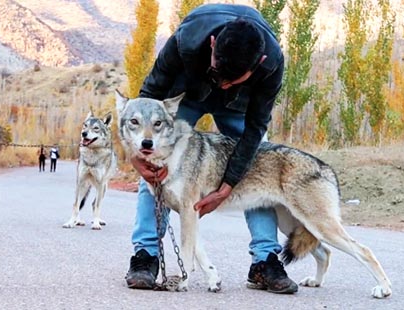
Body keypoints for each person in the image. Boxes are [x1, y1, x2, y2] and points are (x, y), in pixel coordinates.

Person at [125, 4, 297, 294]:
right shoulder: (188, 37)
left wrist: (227, 186)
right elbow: (148, 98)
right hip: (186, 97)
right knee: (156, 165)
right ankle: (146, 255)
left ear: (260, 62)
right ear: (213, 44)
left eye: (234, 79)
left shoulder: (272, 64)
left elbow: (254, 131)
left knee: (260, 166)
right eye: (220, 73)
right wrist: (136, 155)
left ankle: (265, 261)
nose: (224, 84)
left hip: (241, 109)